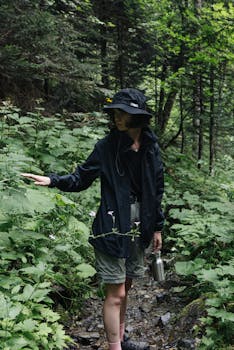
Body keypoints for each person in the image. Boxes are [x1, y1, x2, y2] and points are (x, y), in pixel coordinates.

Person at [21, 88, 164, 350]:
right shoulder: (106, 147)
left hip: (140, 222)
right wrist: (53, 180)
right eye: (115, 114)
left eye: (123, 113)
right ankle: (114, 346)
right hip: (111, 224)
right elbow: (81, 178)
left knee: (127, 285)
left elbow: (157, 188)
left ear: (137, 117)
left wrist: (157, 227)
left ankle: (121, 337)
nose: (117, 118)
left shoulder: (151, 147)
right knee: (116, 292)